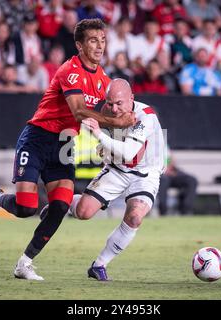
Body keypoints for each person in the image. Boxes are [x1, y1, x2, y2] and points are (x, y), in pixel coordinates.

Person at [0, 19, 135, 281]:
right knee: (27, 207)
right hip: (37, 139)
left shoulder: (103, 79)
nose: (100, 45)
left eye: (103, 40)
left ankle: (24, 264)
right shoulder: (69, 70)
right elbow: (80, 112)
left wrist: (124, 127)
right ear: (79, 45)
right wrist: (117, 121)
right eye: (93, 40)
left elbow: (106, 113)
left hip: (64, 145)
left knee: (60, 206)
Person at [50, 78, 166, 281]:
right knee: (83, 212)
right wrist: (101, 145)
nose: (113, 109)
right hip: (117, 169)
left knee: (135, 217)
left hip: (146, 173)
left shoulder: (145, 116)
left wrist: (98, 135)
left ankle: (99, 265)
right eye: (110, 103)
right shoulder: (105, 111)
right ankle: (61, 205)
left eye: (119, 103)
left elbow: (130, 152)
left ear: (132, 99)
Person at [158, 150, 197, 216]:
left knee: (192, 180)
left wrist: (170, 168)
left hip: (171, 171)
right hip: (159, 173)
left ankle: (186, 210)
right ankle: (163, 211)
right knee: (164, 180)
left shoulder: (163, 144)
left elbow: (170, 158)